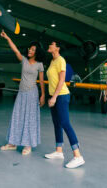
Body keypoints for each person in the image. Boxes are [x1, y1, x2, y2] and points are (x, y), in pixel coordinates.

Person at [0, 30, 45, 155]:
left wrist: (43, 95)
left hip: (32, 93)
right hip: (21, 93)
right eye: (29, 49)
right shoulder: (24, 60)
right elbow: (15, 50)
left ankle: (27, 145)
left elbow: (41, 81)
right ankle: (12, 143)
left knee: (29, 118)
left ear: (37, 52)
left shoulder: (39, 65)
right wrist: (7, 38)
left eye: (33, 49)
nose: (30, 50)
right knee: (17, 116)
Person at [45, 41, 85, 169]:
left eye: (51, 44)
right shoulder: (52, 61)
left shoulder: (61, 60)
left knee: (65, 123)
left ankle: (78, 156)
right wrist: (50, 96)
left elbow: (62, 80)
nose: (49, 45)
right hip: (54, 96)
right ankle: (59, 151)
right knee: (57, 123)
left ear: (57, 48)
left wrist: (55, 97)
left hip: (61, 96)